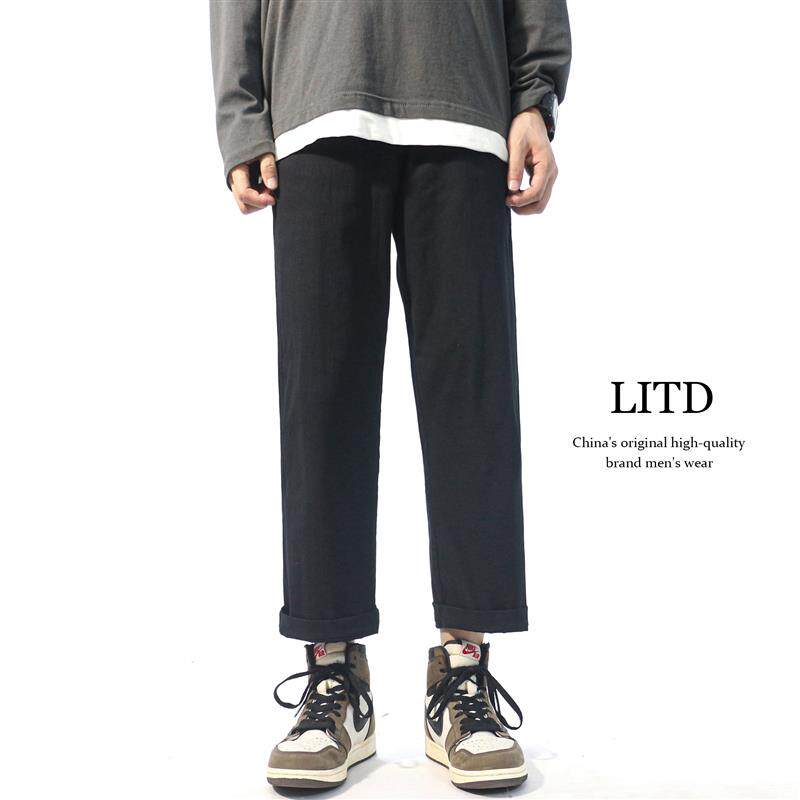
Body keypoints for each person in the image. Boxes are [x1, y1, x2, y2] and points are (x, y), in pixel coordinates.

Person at [210, 0, 570, 791]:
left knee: (471, 403)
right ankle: (333, 676)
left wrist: (535, 98)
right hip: (315, 103)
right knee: (322, 407)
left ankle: (463, 674)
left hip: (464, 108)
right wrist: (241, 117)